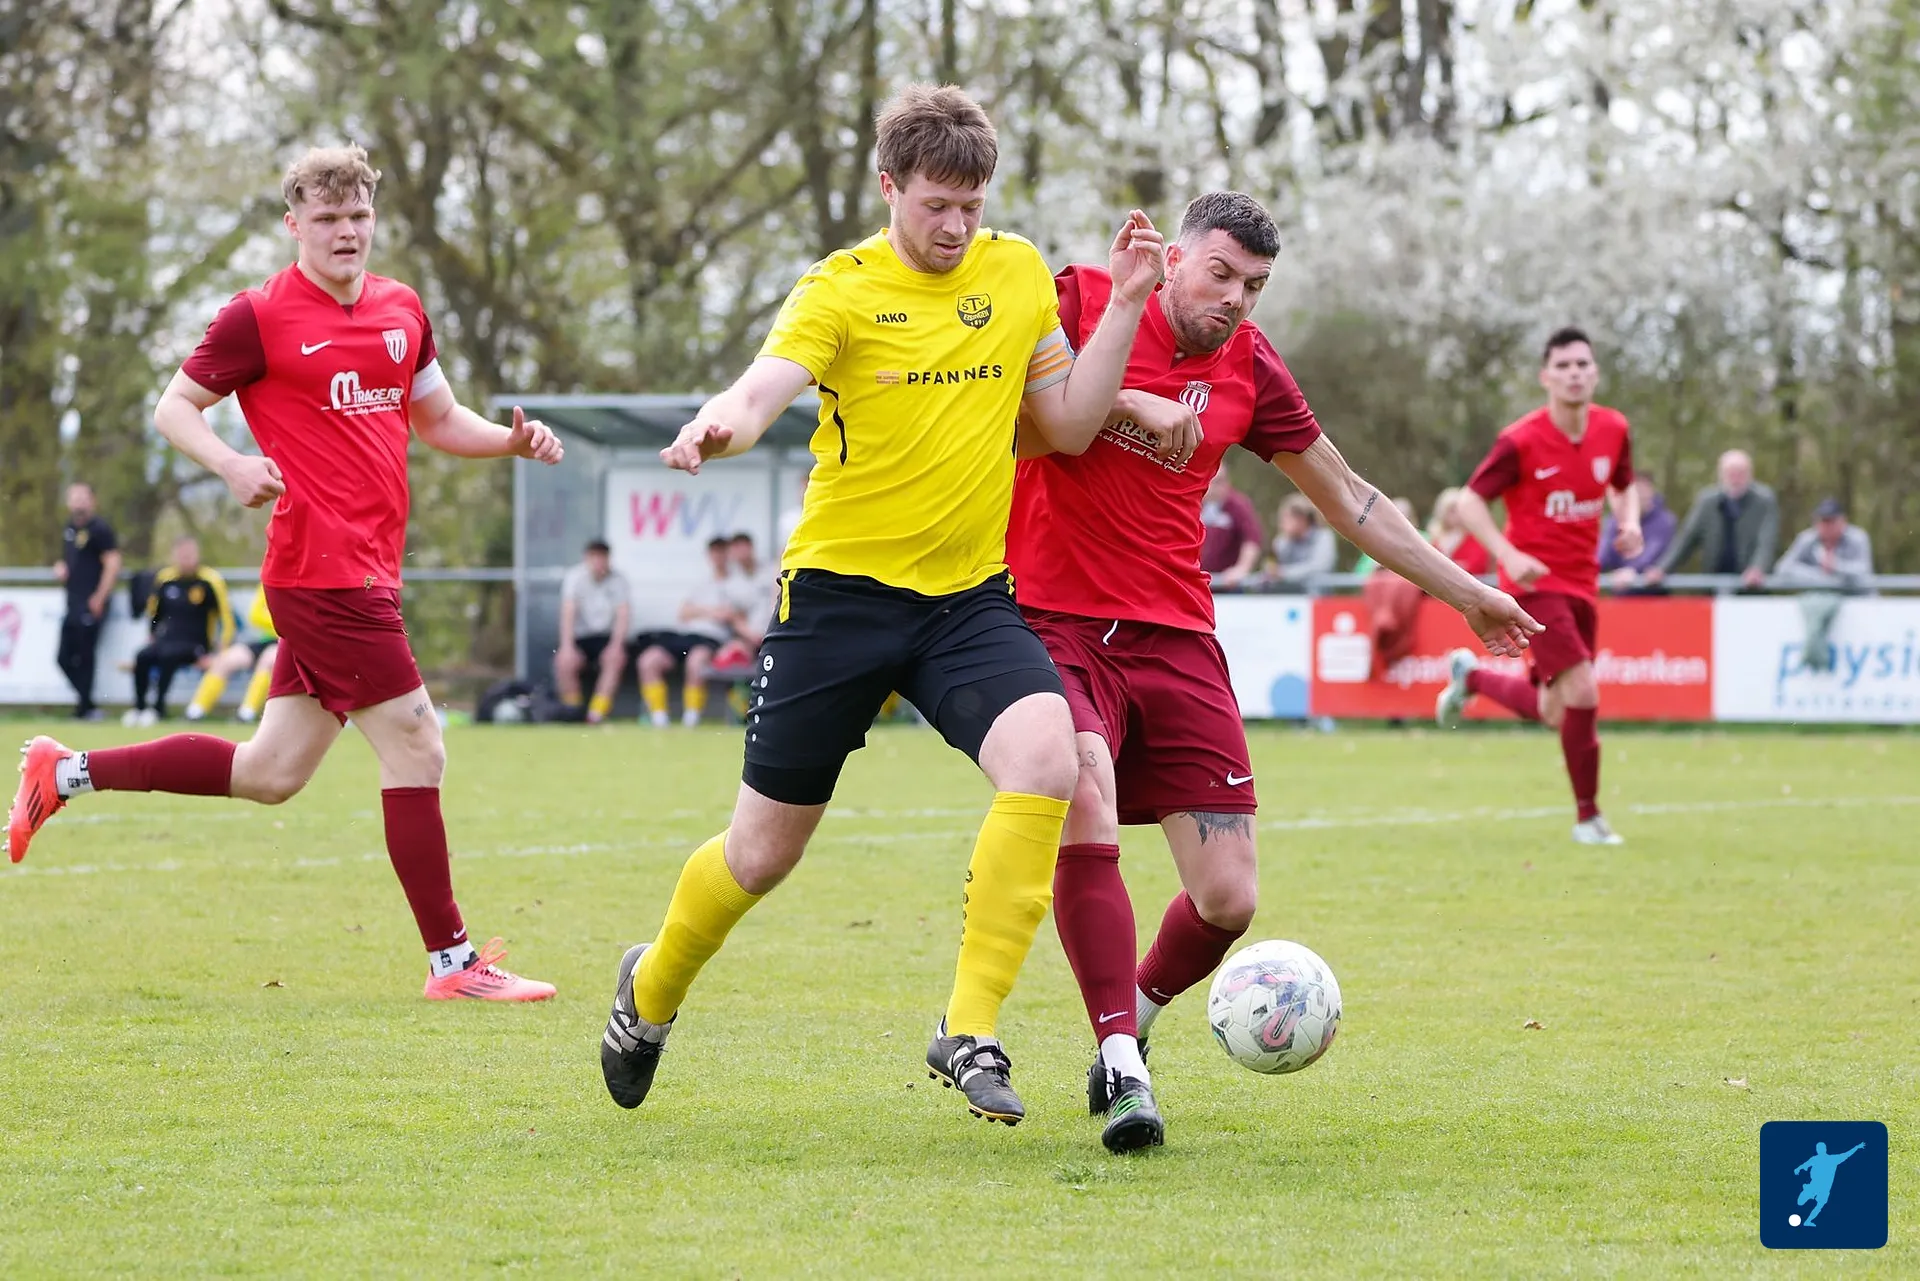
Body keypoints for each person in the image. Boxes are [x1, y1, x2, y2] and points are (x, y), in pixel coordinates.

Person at [599, 83, 1174, 1128]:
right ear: (890, 189)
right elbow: (763, 388)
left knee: (1050, 756)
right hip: (838, 603)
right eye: (934, 205)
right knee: (761, 855)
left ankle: (967, 1026)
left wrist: (1130, 303)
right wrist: (715, 426)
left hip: (965, 602)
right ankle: (652, 988)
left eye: (971, 203)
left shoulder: (1015, 274)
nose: (955, 227)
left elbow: (1068, 427)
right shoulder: (839, 289)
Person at [1008, 190, 1538, 1153]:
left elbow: (1350, 497)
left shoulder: (1249, 364)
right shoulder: (1079, 299)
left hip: (1175, 632)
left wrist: (1467, 591)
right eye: (1221, 274)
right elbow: (1003, 412)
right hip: (1054, 620)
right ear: (1173, 258)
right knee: (1080, 787)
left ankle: (1135, 1012)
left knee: (1228, 897)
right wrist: (1117, 393)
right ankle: (1124, 1066)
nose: (1237, 298)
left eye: (1255, 285)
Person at [8, 144, 563, 1002]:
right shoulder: (258, 315)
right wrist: (232, 464)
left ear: (374, 217)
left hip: (370, 572)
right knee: (419, 741)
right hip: (319, 575)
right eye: (328, 218)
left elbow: (441, 417)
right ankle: (454, 964)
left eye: (359, 216)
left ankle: (64, 769)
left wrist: (511, 440)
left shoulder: (402, 309)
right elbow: (172, 406)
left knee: (270, 773)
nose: (347, 232)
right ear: (293, 222)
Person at [1438, 326, 1641, 845]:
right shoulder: (1522, 440)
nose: (1575, 374)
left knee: (1557, 709)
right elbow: (1468, 502)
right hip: (1532, 586)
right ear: (1546, 377)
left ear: (1594, 373)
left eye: (1583, 365)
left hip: (1583, 584)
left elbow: (1622, 484)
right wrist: (1508, 554)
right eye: (1564, 366)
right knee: (1583, 691)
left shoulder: (1613, 428)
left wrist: (1630, 520)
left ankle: (1473, 680)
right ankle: (1589, 818)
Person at [124, 537, 234, 726]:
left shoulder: (210, 581)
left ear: (197, 555)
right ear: (175, 556)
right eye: (182, 555)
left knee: (169, 656)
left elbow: (225, 617)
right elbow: (155, 613)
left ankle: (158, 709)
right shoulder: (165, 579)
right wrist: (151, 634)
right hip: (167, 639)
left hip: (196, 644)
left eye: (190, 555)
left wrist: (221, 649)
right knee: (142, 656)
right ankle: (139, 708)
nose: (186, 560)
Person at [634, 536, 736, 727]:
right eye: (714, 552)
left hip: (713, 638)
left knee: (696, 662)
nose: (718, 557)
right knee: (648, 660)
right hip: (687, 635)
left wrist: (700, 611)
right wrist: (711, 611)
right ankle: (659, 718)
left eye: (722, 552)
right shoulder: (701, 582)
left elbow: (732, 615)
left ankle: (691, 719)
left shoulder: (736, 583)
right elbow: (683, 613)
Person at [1645, 449, 1777, 589]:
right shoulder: (1707, 502)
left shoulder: (1764, 501)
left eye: (1741, 473)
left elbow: (1766, 541)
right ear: (1721, 474)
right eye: (1731, 473)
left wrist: (1757, 568)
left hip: (1750, 586)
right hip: (1713, 583)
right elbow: (1687, 539)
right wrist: (1662, 569)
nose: (1736, 479)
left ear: (1750, 474)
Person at [1774, 498, 1875, 672]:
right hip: (1819, 600)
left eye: (1831, 522)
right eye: (1822, 521)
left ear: (1843, 521)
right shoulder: (1807, 539)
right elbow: (1783, 569)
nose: (1826, 527)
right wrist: (1821, 576)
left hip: (1858, 606)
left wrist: (1836, 566)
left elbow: (1864, 572)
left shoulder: (1857, 538)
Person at [53, 483, 121, 721]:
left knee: (85, 656)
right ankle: (87, 704)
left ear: (92, 500)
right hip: (72, 602)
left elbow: (113, 564)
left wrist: (99, 597)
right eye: (74, 497)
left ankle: (85, 709)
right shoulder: (69, 528)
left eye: (83, 497)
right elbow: (70, 560)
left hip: (91, 602)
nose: (79, 502)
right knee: (62, 658)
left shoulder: (100, 529)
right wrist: (62, 567)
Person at [554, 538, 631, 724]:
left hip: (606, 637)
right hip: (581, 637)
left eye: (602, 557)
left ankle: (595, 716)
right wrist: (567, 646)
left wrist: (616, 646)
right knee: (564, 662)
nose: (598, 562)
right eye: (594, 557)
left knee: (615, 660)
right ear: (586, 558)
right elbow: (568, 612)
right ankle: (573, 712)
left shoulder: (619, 580)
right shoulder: (575, 577)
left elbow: (623, 614)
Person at [186, 587, 279, 723]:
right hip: (265, 639)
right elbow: (255, 615)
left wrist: (275, 617)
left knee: (268, 661)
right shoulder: (270, 581)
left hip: (289, 641)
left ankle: (247, 713)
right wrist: (280, 620)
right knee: (226, 660)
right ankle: (195, 711)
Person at [1599, 474, 1676, 591]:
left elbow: (1653, 550)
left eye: (1643, 491)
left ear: (1651, 492)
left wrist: (1632, 570)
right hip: (1621, 595)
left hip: (1653, 596)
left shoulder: (1664, 521)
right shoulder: (1615, 520)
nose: (1640, 497)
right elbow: (1604, 551)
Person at [1199, 468, 1263, 588]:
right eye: (1210, 481)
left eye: (1218, 482)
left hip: (1227, 584)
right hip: (1198, 580)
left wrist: (1242, 568)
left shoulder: (1237, 505)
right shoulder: (1195, 501)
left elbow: (1252, 539)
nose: (1213, 487)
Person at [1794, 1140, 1865, 1227]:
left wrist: (1856, 1147)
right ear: (1817, 1150)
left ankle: (1808, 1221)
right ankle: (1807, 1191)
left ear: (1825, 1149)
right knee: (1799, 1203)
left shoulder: (1833, 1159)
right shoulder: (1814, 1159)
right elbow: (1804, 1164)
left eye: (1821, 1148)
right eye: (1818, 1148)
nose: (1819, 1150)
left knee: (1820, 1205)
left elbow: (1847, 1154)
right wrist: (1798, 1169)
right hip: (1813, 1186)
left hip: (1824, 1189)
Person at [1269, 493, 1335, 586]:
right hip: (1291, 596)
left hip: (1316, 596)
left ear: (1301, 519)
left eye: (1286, 518)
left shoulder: (1323, 536)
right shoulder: (1282, 540)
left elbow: (1321, 566)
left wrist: (1285, 573)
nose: (1282, 523)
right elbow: (1273, 566)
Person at [1426, 487, 1491, 576]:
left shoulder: (1476, 538)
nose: (1457, 514)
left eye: (1459, 509)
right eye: (1452, 510)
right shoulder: (1436, 539)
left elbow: (1478, 566)